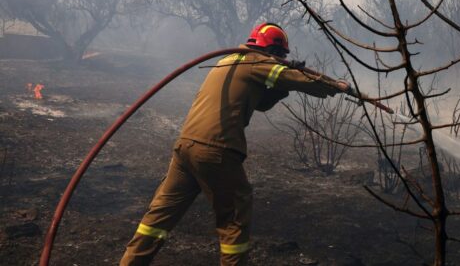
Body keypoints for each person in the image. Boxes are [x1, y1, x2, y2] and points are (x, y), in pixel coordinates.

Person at [120, 23, 349, 265]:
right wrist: (335, 86)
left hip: (186, 147)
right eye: (281, 55)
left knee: (159, 217)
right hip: (216, 149)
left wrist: (282, 88)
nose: (281, 60)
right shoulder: (257, 62)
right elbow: (294, 78)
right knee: (235, 217)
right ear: (273, 50)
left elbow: (260, 102)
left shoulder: (229, 61)